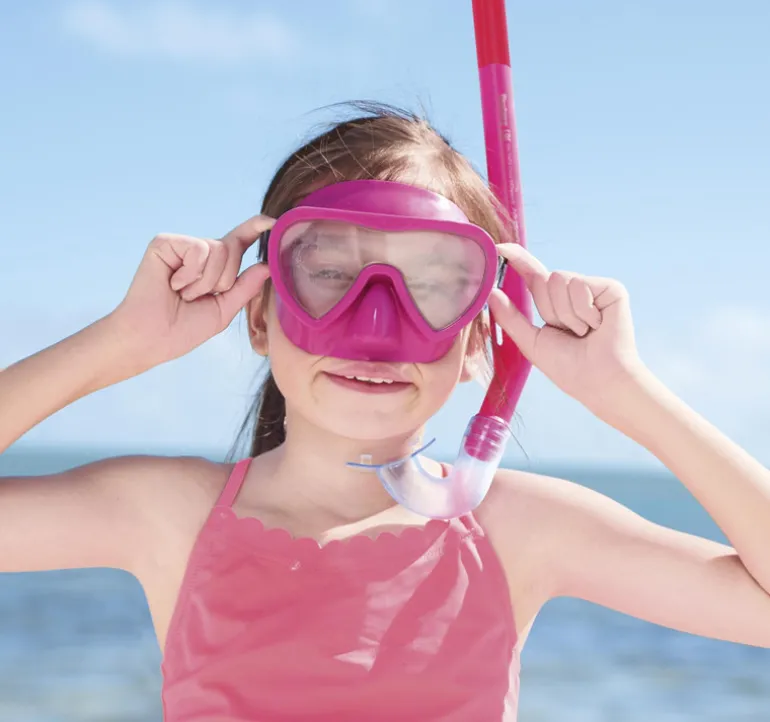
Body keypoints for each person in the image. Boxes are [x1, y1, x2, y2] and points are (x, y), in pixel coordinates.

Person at [1, 104, 769, 722]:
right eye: (332, 275)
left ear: (480, 341)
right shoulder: (171, 516)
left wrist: (626, 392)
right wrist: (121, 343)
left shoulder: (517, 530)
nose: (374, 327)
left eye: (429, 286)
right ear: (261, 315)